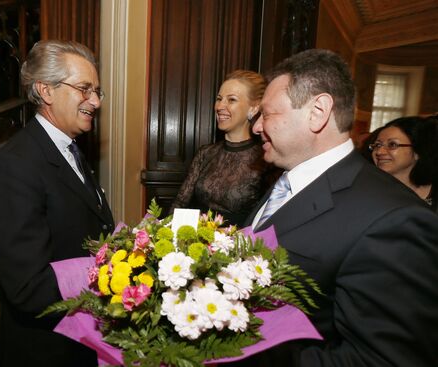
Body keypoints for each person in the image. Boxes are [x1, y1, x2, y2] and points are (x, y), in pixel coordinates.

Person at [240, 49, 438, 366]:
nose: (256, 127)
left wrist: (244, 355)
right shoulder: (285, 179)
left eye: (267, 114)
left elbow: (384, 359)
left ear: (318, 111)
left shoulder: (395, 218)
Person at [0, 40, 114, 367]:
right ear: (46, 91)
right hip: (48, 349)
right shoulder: (15, 164)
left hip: (81, 340)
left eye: (97, 91)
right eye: (85, 89)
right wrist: (113, 277)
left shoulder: (70, 151)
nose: (95, 101)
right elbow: (28, 288)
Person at [171, 70, 276, 225]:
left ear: (254, 108)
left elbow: (266, 224)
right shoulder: (206, 153)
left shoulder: (266, 158)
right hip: (194, 243)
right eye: (219, 99)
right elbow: (180, 204)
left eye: (231, 100)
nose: (220, 106)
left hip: (239, 247)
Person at [370, 115, 438, 212]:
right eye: (377, 145)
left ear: (417, 152)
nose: (379, 152)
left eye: (392, 145)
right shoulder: (367, 191)